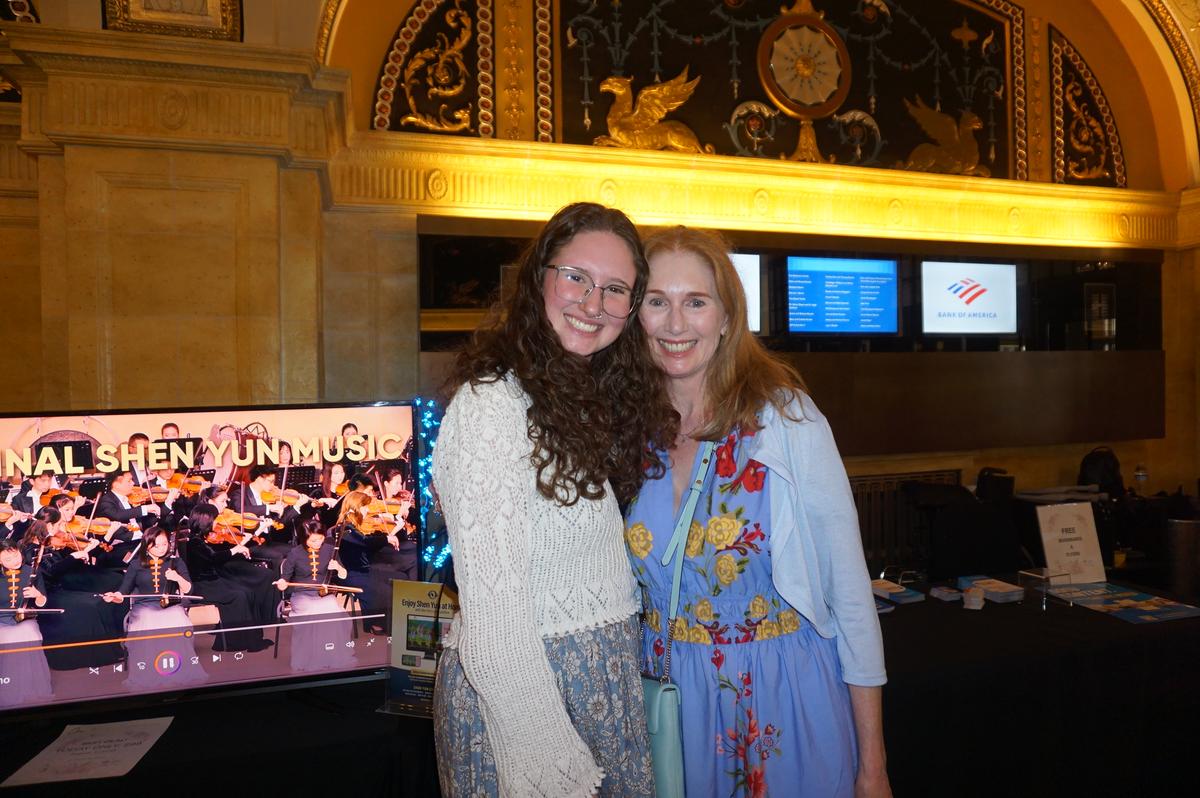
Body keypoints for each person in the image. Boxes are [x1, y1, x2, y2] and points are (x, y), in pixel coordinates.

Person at [624, 226, 891, 797]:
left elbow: (849, 594)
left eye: (695, 302)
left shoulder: (786, 421)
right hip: (667, 705)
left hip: (780, 698)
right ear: (634, 316)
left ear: (726, 316)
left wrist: (874, 767)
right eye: (657, 302)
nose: (675, 324)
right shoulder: (625, 432)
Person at [431, 202, 675, 797]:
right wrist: (549, 764)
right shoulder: (493, 404)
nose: (593, 304)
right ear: (540, 275)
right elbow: (493, 621)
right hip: (531, 705)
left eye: (615, 289)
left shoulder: (579, 396)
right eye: (576, 278)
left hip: (595, 685)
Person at [102, 526, 208, 689]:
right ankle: (151, 674)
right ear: (147, 544)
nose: (161, 548)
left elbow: (189, 590)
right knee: (151, 623)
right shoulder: (136, 565)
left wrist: (177, 578)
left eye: (164, 544)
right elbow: (123, 592)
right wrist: (114, 597)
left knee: (176, 621)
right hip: (144, 606)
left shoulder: (176, 562)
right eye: (156, 545)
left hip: (170, 604)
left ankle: (176, 672)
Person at [0, 538, 53, 707]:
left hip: (24, 619)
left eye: (16, 556)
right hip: (1, 620)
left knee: (29, 634)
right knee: (9, 639)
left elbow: (43, 603)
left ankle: (34, 690)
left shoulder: (32, 571)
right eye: (8, 559)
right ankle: (11, 692)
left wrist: (37, 595)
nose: (15, 561)